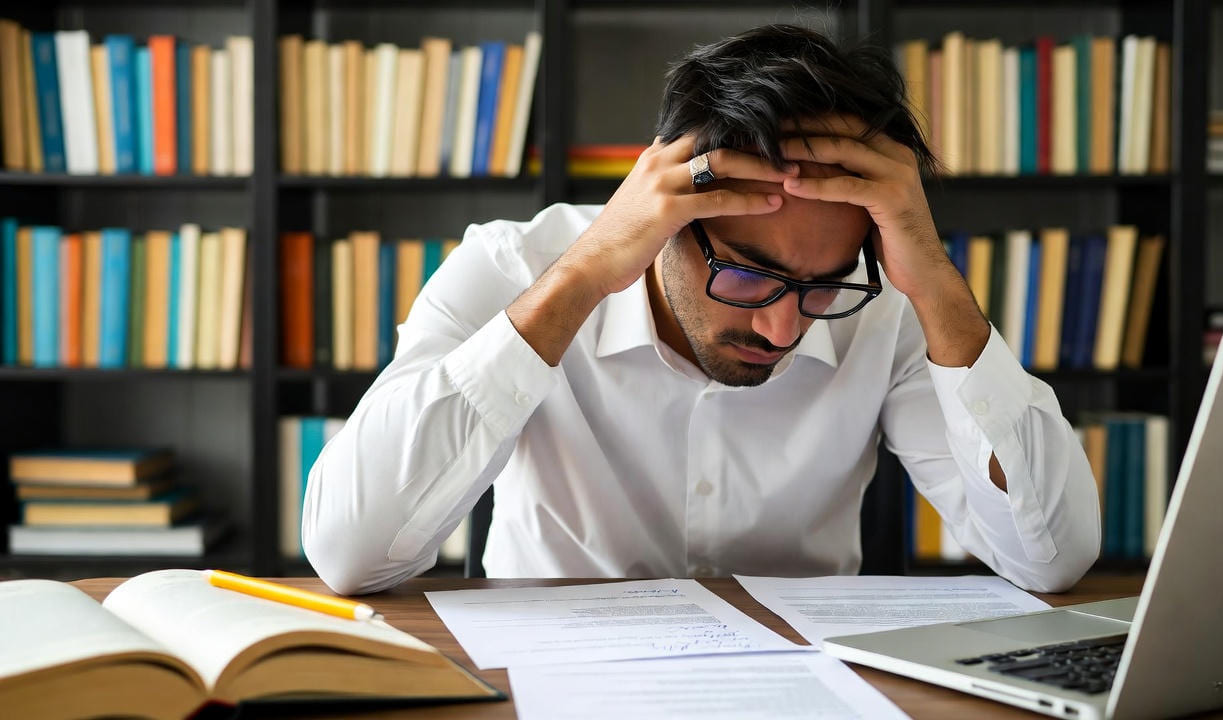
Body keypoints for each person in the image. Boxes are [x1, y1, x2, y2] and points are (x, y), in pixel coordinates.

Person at [302, 25, 1100, 595]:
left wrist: (933, 277)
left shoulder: (884, 304)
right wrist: (582, 277)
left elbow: (1052, 560)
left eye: (821, 287)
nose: (784, 331)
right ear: (664, 218)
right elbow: (350, 553)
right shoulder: (513, 267)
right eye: (751, 277)